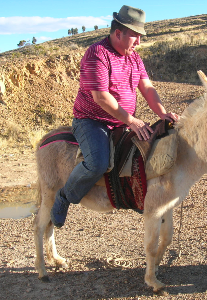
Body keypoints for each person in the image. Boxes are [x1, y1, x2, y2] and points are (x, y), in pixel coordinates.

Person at [50, 5, 179, 228]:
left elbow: (147, 88)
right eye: (135, 36)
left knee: (146, 153)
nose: (138, 42)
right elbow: (100, 97)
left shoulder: (134, 58)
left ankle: (134, 198)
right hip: (92, 121)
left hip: (121, 121)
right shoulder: (97, 53)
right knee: (97, 163)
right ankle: (65, 197)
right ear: (118, 32)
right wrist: (132, 121)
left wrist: (163, 112)